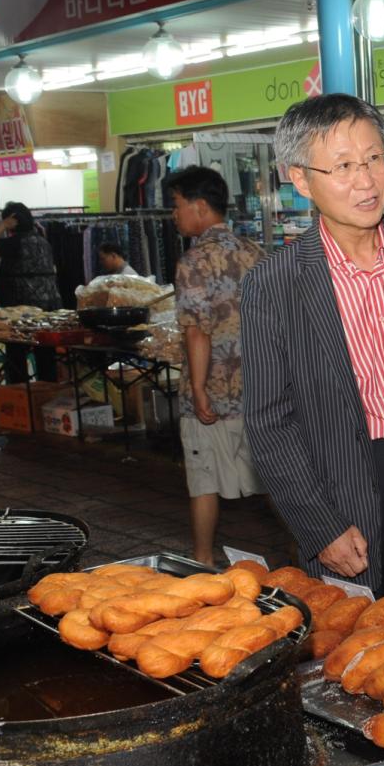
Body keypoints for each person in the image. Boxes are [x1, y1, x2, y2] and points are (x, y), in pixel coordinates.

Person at [243, 94, 384, 600]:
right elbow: (270, 421)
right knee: (362, 644)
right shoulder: (275, 283)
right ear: (300, 179)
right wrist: (319, 525)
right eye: (344, 166)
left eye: (375, 158)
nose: (366, 180)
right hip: (348, 484)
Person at [170, 166, 264, 565]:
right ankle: (303, 551)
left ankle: (203, 560)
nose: (174, 215)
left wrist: (197, 387)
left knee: (203, 479)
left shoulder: (193, 262)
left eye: (176, 206)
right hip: (258, 390)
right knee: (272, 479)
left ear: (200, 206)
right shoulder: (256, 253)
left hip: (213, 392)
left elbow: (197, 332)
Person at [0, 202, 60, 310]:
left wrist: (3, 224)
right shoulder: (43, 241)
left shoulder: (15, 242)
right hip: (50, 301)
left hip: (23, 305)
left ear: (12, 221)